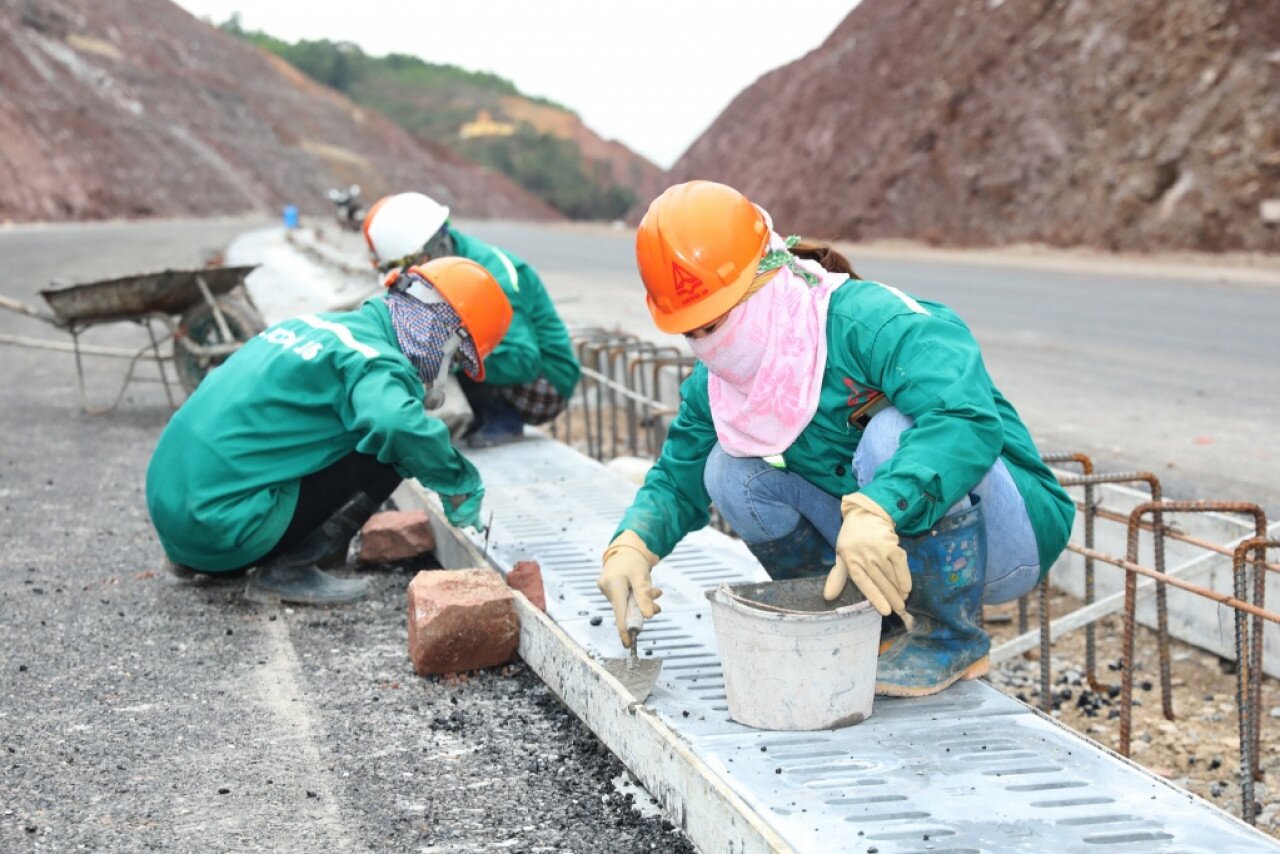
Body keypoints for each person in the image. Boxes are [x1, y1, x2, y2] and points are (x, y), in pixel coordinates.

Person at [596, 181, 1075, 697]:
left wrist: (880, 508)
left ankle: (948, 638)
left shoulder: (869, 321)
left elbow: (964, 418)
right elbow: (678, 476)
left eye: (715, 323)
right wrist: (633, 545)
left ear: (764, 278)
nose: (705, 345)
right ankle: (868, 626)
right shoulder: (718, 386)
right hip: (880, 549)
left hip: (1004, 542)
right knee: (729, 470)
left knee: (890, 434)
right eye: (691, 332)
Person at [146, 257, 511, 605]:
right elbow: (397, 424)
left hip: (174, 508)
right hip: (221, 528)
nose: (450, 370)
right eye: (459, 358)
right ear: (445, 333)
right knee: (394, 446)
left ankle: (192, 557)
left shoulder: (311, 327)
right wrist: (457, 479)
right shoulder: (372, 361)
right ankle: (291, 569)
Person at [362, 192, 581, 447]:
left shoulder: (491, 275)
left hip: (546, 382)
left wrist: (448, 356)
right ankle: (479, 414)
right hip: (515, 366)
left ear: (434, 248)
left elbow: (524, 360)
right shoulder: (444, 266)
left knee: (448, 347)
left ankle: (503, 417)